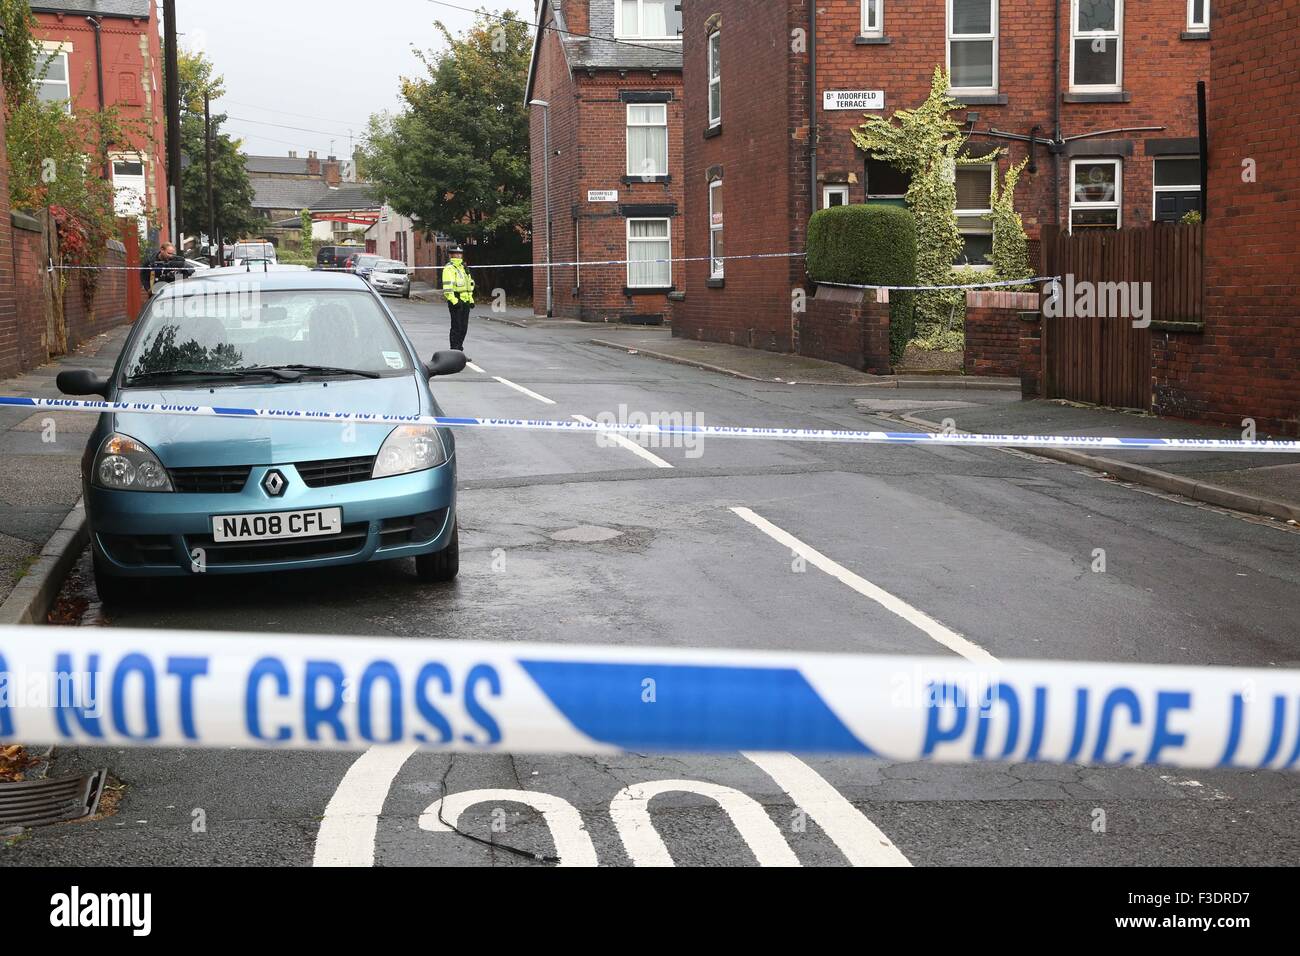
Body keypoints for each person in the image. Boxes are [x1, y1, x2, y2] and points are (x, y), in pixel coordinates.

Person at [441, 245, 475, 352]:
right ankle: (454, 350)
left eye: (460, 254)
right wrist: (454, 301)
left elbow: (469, 285)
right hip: (456, 299)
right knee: (456, 327)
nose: (459, 256)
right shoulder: (449, 268)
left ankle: (459, 350)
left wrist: (471, 299)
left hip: (465, 300)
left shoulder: (463, 268)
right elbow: (447, 288)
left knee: (464, 328)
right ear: (451, 255)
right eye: (456, 254)